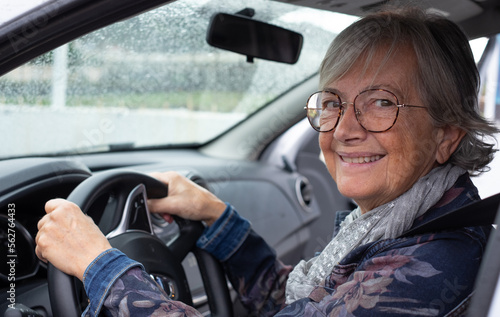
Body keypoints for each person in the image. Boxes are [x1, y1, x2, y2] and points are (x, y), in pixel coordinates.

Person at [35, 7, 499, 317]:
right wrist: (217, 217)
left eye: (381, 102)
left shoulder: (430, 263)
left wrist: (100, 267)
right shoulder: (401, 226)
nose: (344, 129)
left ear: (446, 135)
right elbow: (302, 303)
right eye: (334, 102)